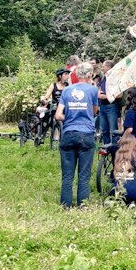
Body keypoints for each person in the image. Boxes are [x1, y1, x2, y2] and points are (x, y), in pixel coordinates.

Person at [54, 61, 99, 208]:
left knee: (67, 176)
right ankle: (82, 206)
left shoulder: (67, 90)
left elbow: (58, 115)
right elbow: (94, 111)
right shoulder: (93, 90)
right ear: (89, 75)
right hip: (86, 134)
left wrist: (71, 117)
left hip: (69, 134)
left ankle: (65, 205)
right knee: (84, 175)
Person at [97, 60, 122, 146]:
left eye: (103, 66)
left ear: (109, 68)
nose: (102, 68)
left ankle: (115, 147)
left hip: (111, 106)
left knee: (113, 130)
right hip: (102, 106)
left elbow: (120, 95)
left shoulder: (115, 79)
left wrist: (106, 96)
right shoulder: (104, 78)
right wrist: (99, 93)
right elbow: (100, 89)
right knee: (104, 130)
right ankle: (106, 147)